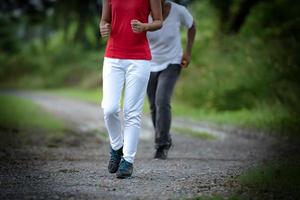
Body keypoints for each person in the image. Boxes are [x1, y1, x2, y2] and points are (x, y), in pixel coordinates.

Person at [99, 0, 162, 179]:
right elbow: (104, 20)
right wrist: (103, 27)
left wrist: (144, 26)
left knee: (131, 112)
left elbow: (159, 21)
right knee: (109, 109)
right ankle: (117, 147)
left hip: (139, 59)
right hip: (112, 57)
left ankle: (128, 161)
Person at [147, 0, 196, 159]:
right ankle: (163, 137)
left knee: (162, 101)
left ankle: (161, 144)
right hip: (147, 63)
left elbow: (191, 26)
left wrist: (187, 52)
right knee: (154, 105)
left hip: (172, 62)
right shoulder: (143, 11)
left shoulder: (178, 11)